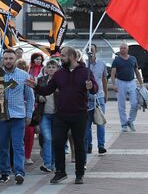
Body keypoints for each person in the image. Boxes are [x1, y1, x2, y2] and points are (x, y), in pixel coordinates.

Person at [29, 46, 98, 185]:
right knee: (58, 142)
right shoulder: (59, 74)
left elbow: (95, 89)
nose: (61, 58)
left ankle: (79, 173)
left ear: (73, 57)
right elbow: (48, 90)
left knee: (79, 144)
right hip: (61, 115)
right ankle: (60, 172)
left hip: (79, 114)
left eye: (64, 56)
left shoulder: (86, 72)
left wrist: (91, 87)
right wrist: (36, 86)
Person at [0, 49, 35, 185]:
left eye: (10, 58)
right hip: (1, 116)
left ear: (15, 60)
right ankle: (5, 172)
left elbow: (30, 98)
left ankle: (19, 172)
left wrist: (29, 115)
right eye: (6, 58)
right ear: (2, 60)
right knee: (2, 146)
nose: (8, 61)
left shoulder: (24, 75)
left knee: (18, 145)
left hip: (18, 116)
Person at [111, 42, 144, 132]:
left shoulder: (133, 59)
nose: (122, 50)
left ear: (127, 49)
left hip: (131, 82)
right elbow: (113, 73)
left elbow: (137, 72)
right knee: (121, 105)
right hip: (120, 82)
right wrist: (114, 85)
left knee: (135, 104)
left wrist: (141, 84)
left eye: (124, 48)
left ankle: (130, 121)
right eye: (121, 48)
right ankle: (124, 124)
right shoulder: (116, 60)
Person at [35, 59, 60, 172]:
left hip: (57, 114)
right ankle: (47, 164)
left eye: (53, 67)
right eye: (49, 67)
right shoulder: (40, 80)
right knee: (48, 138)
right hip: (44, 114)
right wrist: (38, 97)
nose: (51, 69)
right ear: (45, 69)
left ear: (57, 68)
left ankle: (54, 162)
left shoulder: (61, 81)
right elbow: (34, 92)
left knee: (55, 139)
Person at [85, 44, 108, 154]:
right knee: (87, 123)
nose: (90, 52)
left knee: (100, 121)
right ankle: (88, 145)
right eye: (88, 50)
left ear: (96, 51)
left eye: (92, 50)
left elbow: (104, 79)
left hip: (99, 96)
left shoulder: (102, 64)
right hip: (87, 97)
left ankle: (101, 145)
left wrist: (106, 93)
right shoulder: (83, 65)